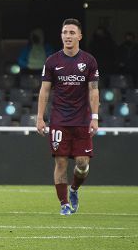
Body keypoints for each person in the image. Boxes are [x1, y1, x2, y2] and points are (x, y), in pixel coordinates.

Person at [36, 19, 99, 215]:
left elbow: (94, 91)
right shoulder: (52, 61)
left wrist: (95, 117)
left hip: (81, 120)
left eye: (72, 32)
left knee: (82, 163)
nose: (68, 36)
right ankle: (64, 204)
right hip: (59, 120)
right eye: (65, 32)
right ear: (61, 35)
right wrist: (40, 117)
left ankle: (74, 189)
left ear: (79, 36)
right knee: (61, 162)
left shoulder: (89, 61)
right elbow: (44, 91)